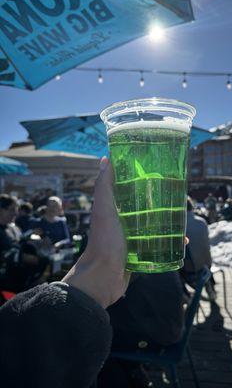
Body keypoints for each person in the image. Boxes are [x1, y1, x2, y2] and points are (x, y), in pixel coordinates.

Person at [0, 157, 130, 387]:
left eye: (55, 206)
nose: (54, 209)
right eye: (51, 206)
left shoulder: (59, 222)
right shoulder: (31, 224)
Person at [99, 271, 185, 387]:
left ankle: (130, 376)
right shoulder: (156, 256)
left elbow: (109, 286)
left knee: (97, 338)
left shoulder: (138, 261)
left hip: (160, 336)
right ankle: (133, 373)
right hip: (168, 327)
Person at [181, 197, 215, 301]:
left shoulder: (178, 226)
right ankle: (210, 287)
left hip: (190, 272)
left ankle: (184, 295)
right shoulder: (202, 222)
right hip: (206, 268)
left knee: (171, 268)